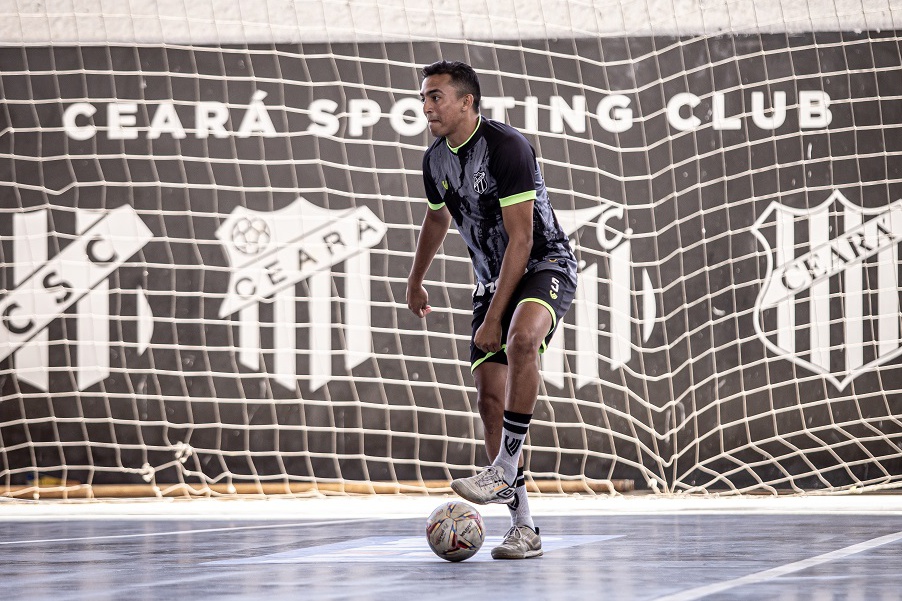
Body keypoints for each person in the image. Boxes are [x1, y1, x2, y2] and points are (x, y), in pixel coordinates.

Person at [406, 60, 578, 560]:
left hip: (543, 264)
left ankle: (503, 467)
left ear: (467, 101)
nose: (427, 107)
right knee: (488, 401)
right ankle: (524, 527)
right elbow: (436, 221)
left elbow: (522, 240)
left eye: (436, 97)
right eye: (424, 98)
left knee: (521, 339)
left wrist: (493, 318)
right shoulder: (435, 160)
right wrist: (415, 279)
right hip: (490, 280)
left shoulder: (507, 148)